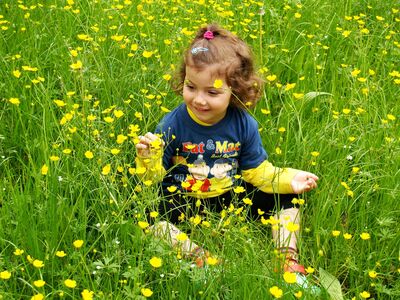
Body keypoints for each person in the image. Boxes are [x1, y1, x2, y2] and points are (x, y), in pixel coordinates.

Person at [135, 24, 318, 273]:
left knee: (286, 196)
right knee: (147, 213)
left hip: (229, 198)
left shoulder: (244, 124)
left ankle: (286, 259)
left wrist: (289, 178)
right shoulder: (172, 124)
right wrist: (148, 158)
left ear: (235, 90)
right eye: (191, 87)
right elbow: (153, 180)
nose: (199, 99)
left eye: (212, 92)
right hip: (183, 201)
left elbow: (256, 172)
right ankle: (199, 256)